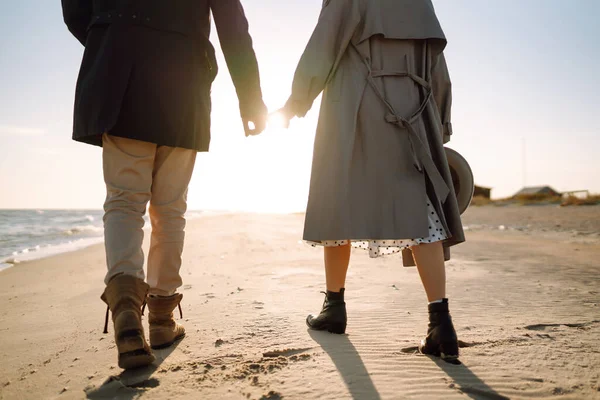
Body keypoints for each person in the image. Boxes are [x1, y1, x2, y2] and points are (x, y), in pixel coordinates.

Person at [61, 0, 267, 369]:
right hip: (183, 77)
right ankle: (160, 318)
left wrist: (109, 42)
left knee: (124, 201)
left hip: (119, 68)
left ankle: (126, 314)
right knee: (170, 207)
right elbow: (233, 25)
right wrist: (251, 99)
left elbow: (75, 10)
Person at [277, 0, 465, 361]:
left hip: (355, 109)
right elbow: (439, 68)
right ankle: (441, 322)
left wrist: (295, 102)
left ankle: (334, 307)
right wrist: (440, 122)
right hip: (414, 110)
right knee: (421, 211)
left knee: (339, 199)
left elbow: (324, 46)